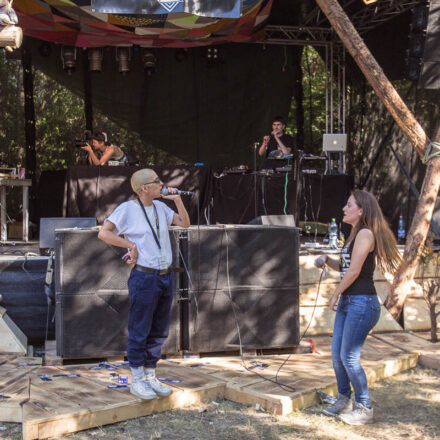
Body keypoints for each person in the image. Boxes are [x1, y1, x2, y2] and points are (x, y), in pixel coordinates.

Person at [98, 168, 190, 400]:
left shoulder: (161, 207)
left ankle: (150, 375)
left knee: (159, 330)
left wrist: (178, 200)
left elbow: (185, 224)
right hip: (144, 276)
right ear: (144, 189)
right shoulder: (128, 209)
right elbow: (104, 233)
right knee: (140, 328)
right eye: (156, 181)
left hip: (165, 275)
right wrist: (130, 245)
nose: (161, 184)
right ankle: (137, 378)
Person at [315, 190, 402, 425]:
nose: (344, 208)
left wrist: (335, 293)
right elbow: (346, 267)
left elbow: (354, 272)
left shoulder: (365, 234)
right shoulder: (354, 234)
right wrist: (327, 260)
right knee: (336, 355)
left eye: (349, 204)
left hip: (362, 303)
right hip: (350, 302)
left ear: (361, 210)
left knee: (349, 357)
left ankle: (364, 407)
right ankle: (344, 399)